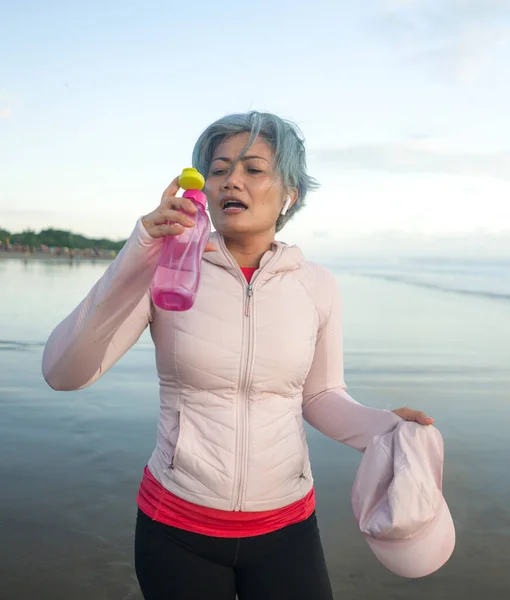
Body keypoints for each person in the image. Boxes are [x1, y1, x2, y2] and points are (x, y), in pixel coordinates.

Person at [42, 111, 434, 600]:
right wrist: (139, 250)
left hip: (286, 529)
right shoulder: (168, 273)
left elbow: (320, 395)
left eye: (253, 168)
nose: (232, 180)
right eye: (220, 168)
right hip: (177, 528)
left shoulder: (316, 286)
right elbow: (63, 372)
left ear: (289, 192)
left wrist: (384, 427)